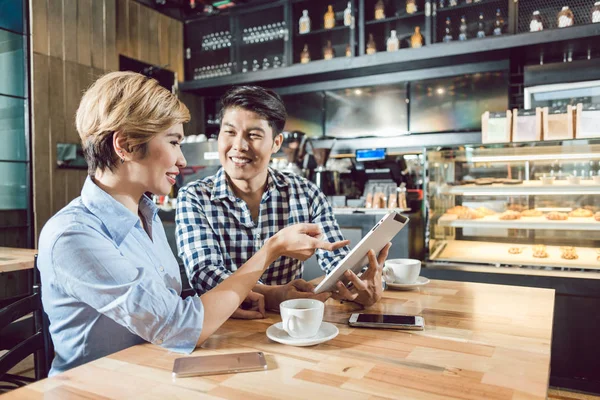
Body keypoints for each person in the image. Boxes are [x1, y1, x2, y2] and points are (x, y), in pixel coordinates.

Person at [37, 72, 347, 376]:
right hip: (96, 389)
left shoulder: (144, 217)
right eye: (174, 142)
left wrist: (215, 302)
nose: (183, 160)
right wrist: (272, 249)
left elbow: (160, 306)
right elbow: (179, 327)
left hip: (154, 376)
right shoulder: (74, 235)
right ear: (127, 145)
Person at [176, 86, 391, 319]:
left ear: (276, 143)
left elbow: (337, 259)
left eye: (254, 135)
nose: (239, 145)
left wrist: (359, 285)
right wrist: (272, 295)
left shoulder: (305, 193)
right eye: (229, 132)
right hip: (221, 329)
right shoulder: (194, 197)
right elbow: (204, 274)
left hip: (293, 326)